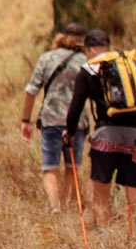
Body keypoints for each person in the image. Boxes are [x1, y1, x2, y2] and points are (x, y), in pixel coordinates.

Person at [65, 28, 136, 245]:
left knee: (101, 194)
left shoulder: (89, 70)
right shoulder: (128, 65)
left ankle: (106, 241)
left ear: (89, 48)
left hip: (106, 137)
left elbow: (75, 107)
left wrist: (69, 133)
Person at [18, 22, 90, 213]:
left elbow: (31, 90)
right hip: (76, 123)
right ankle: (66, 208)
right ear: (83, 41)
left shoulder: (47, 59)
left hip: (51, 120)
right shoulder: (85, 61)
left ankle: (54, 207)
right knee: (71, 167)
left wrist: (26, 120)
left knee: (49, 167)